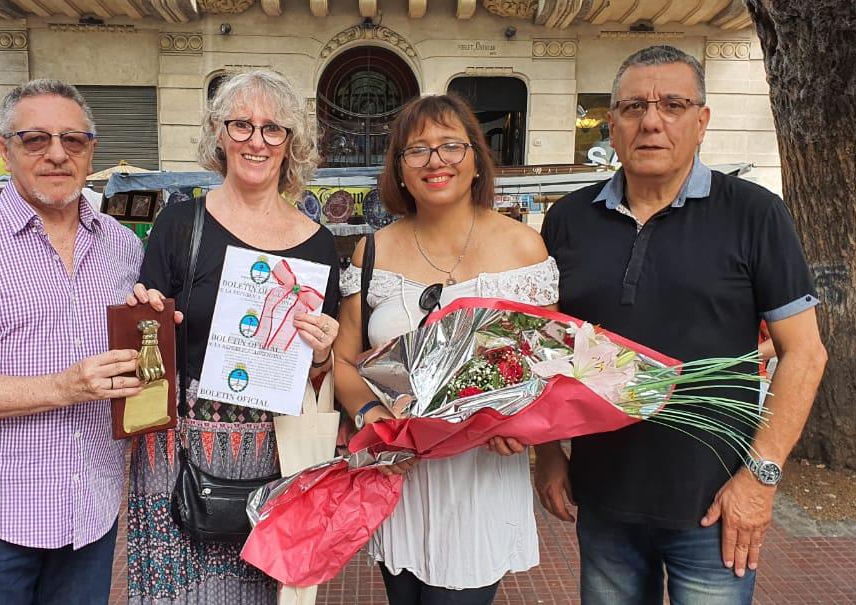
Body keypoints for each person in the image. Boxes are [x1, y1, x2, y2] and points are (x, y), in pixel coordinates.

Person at [536, 45, 829, 604]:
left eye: (673, 104)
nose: (651, 121)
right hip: (603, 501)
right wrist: (549, 454)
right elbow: (549, 345)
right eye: (632, 107)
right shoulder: (568, 220)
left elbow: (805, 353)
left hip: (716, 507)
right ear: (612, 123)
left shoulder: (754, 214)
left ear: (701, 122)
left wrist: (760, 479)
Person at [0, 79, 144, 604]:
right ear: (4, 149)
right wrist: (63, 387)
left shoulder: (122, 246)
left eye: (73, 141)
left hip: (90, 510)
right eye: (35, 139)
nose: (57, 154)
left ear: (91, 152)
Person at [127, 69, 341, 605]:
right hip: (178, 458)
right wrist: (147, 321)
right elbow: (144, 343)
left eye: (273, 129)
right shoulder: (179, 225)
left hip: (276, 458)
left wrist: (321, 355)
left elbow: (318, 376)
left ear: (292, 143)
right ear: (218, 136)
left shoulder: (319, 247)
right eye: (241, 125)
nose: (256, 140)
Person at [333, 94, 557, 604]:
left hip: (479, 478)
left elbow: (550, 364)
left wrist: (521, 422)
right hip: (400, 477)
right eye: (418, 150)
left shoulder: (524, 248)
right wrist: (371, 415)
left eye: (451, 146)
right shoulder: (374, 251)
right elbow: (345, 362)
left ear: (476, 159)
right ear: (400, 171)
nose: (436, 161)